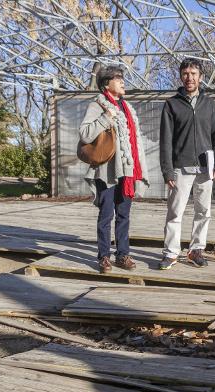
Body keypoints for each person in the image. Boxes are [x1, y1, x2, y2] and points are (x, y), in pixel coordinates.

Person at [79, 65, 149, 273]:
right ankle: (103, 257)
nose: (122, 81)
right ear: (106, 84)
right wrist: (105, 118)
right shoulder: (97, 106)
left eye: (122, 78)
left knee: (124, 215)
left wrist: (140, 168)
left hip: (126, 169)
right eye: (117, 78)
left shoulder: (128, 109)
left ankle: (123, 255)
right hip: (107, 170)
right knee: (106, 214)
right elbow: (85, 133)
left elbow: (135, 142)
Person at [158, 58, 215, 270]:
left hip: (206, 168)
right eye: (186, 74)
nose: (190, 78)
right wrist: (167, 169)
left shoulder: (209, 104)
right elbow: (165, 140)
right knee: (175, 212)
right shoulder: (172, 104)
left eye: (194, 74)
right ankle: (171, 253)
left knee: (203, 211)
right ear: (181, 76)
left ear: (201, 77)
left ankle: (196, 250)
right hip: (180, 168)